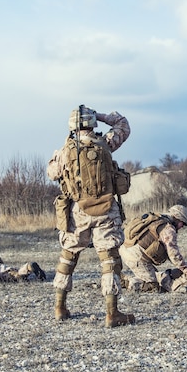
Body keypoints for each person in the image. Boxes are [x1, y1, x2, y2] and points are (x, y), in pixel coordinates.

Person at [47, 104, 135, 328]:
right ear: (92, 123)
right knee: (110, 260)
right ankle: (112, 313)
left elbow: (52, 174)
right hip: (106, 210)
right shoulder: (105, 144)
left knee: (68, 256)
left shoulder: (65, 150)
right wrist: (103, 116)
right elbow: (123, 124)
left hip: (79, 211)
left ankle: (60, 307)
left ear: (72, 127)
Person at [119, 205, 187, 293]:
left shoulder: (158, 218)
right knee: (152, 287)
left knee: (155, 277)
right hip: (136, 257)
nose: (182, 227)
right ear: (177, 218)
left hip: (127, 249)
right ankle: (125, 283)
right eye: (183, 223)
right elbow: (174, 256)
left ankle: (128, 280)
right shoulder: (168, 230)